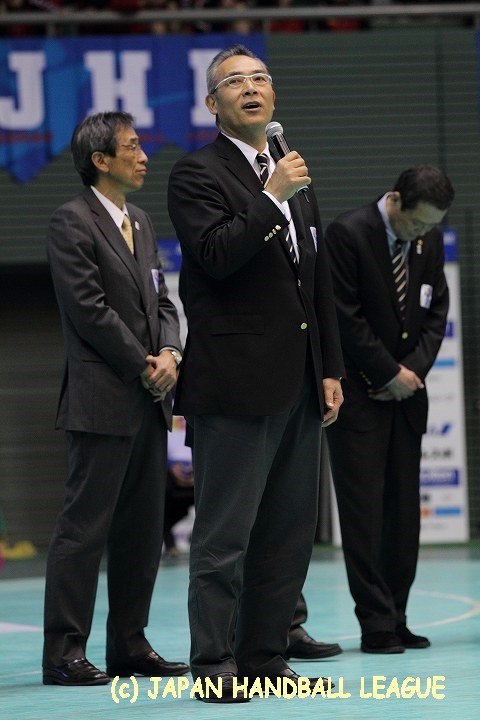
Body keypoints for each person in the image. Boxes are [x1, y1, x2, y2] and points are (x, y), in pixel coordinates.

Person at [168, 44, 344, 703]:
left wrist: (329, 367)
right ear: (212, 103)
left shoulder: (292, 173)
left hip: (299, 383)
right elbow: (215, 256)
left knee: (286, 537)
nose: (251, 88)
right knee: (224, 539)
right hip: (234, 384)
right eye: (235, 81)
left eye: (261, 78)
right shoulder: (196, 174)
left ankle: (266, 660)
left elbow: (314, 280)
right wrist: (271, 198)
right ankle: (214, 665)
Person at [42, 111, 189, 686]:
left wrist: (170, 352)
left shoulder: (141, 221)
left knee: (141, 532)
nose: (143, 156)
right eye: (131, 147)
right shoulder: (71, 221)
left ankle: (130, 645)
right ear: (100, 160)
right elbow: (89, 309)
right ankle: (64, 653)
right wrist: (143, 364)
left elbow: (163, 301)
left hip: (150, 399)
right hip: (102, 399)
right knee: (84, 530)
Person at [323, 164, 454, 653]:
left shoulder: (428, 240)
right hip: (359, 398)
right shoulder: (348, 234)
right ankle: (375, 622)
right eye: (417, 223)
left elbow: (436, 312)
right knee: (364, 515)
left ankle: (398, 615)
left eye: (430, 226)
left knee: (403, 516)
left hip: (407, 398)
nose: (422, 234)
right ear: (395, 200)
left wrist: (411, 373)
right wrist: (386, 373)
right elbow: (344, 315)